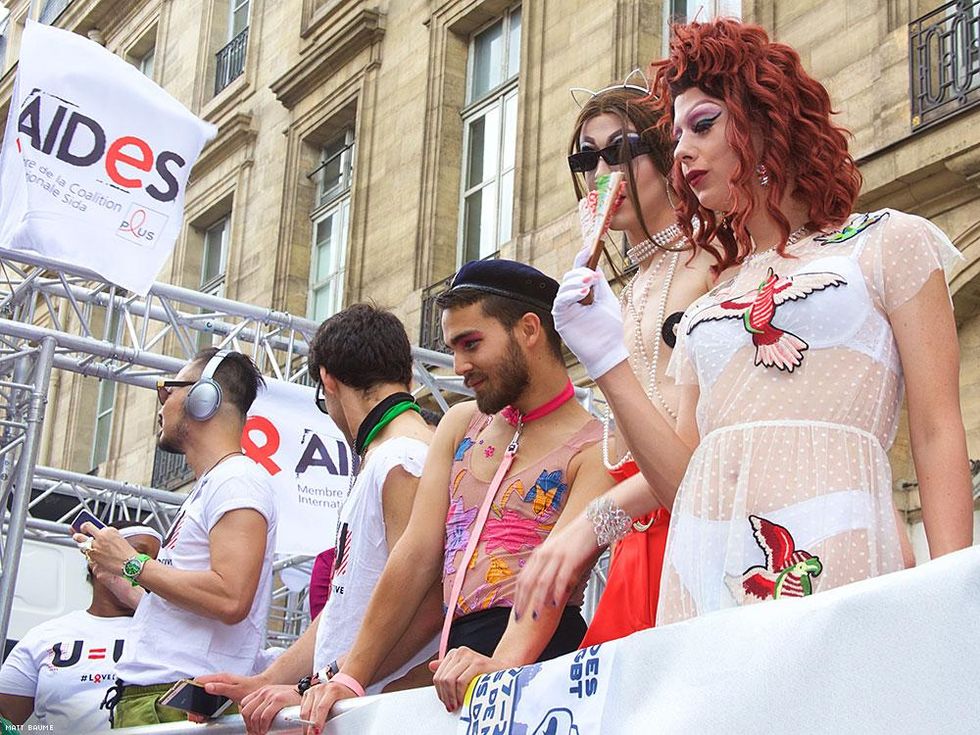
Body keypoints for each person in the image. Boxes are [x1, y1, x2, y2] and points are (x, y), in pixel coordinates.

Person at [517, 18, 973, 628]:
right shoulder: (706, 307)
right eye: (675, 134)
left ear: (767, 120)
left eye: (702, 124)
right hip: (705, 589)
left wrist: (955, 593)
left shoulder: (890, 243)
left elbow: (939, 429)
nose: (680, 149)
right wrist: (607, 363)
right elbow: (686, 486)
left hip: (841, 567)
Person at [297, 259, 614, 729]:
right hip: (452, 669)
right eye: (453, 348)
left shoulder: (597, 447)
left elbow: (557, 578)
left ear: (529, 330)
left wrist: (501, 664)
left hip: (541, 667)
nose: (459, 366)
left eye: (471, 344)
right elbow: (416, 554)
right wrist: (349, 678)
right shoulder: (459, 424)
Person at [196, 304, 442, 735]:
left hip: (385, 716)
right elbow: (342, 610)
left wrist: (332, 681)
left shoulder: (405, 457)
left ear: (328, 379)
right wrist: (265, 682)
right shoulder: (389, 455)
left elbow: (428, 602)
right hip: (358, 710)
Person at [567, 76, 715, 645]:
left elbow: (693, 450)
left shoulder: (714, 263)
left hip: (689, 530)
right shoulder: (629, 289)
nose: (604, 175)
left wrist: (589, 526)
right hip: (638, 541)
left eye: (621, 152)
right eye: (590, 159)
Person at [76, 348, 277, 727]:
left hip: (177, 703)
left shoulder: (237, 480)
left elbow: (231, 596)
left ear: (206, 398)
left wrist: (132, 563)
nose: (162, 400)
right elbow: (191, 609)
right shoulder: (217, 483)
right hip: (161, 700)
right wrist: (124, 585)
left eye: (169, 388)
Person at [0, 521, 161, 732]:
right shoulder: (46, 636)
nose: (151, 567)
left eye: (159, 561)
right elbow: (6, 719)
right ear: (96, 559)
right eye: (139, 555)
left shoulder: (173, 634)